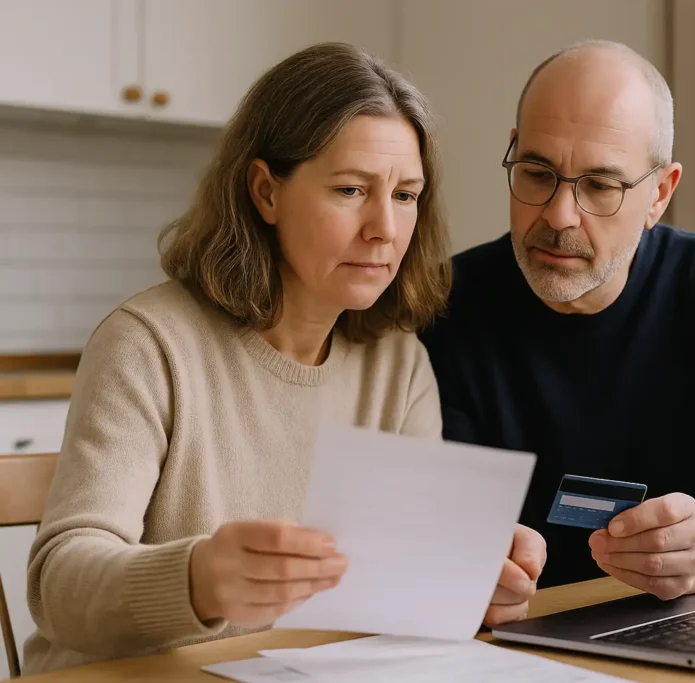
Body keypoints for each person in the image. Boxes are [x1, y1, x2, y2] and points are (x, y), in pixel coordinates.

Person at [23, 43, 541, 675]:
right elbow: (59, 585)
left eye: (406, 195)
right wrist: (198, 578)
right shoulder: (148, 344)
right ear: (266, 192)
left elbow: (393, 595)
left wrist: (463, 586)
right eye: (351, 189)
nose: (384, 227)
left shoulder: (398, 368)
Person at [419, 40, 695, 600]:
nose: (560, 216)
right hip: (516, 645)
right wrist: (464, 568)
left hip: (685, 625)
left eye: (601, 186)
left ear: (660, 193)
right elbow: (429, 520)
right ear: (512, 153)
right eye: (537, 174)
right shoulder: (444, 306)